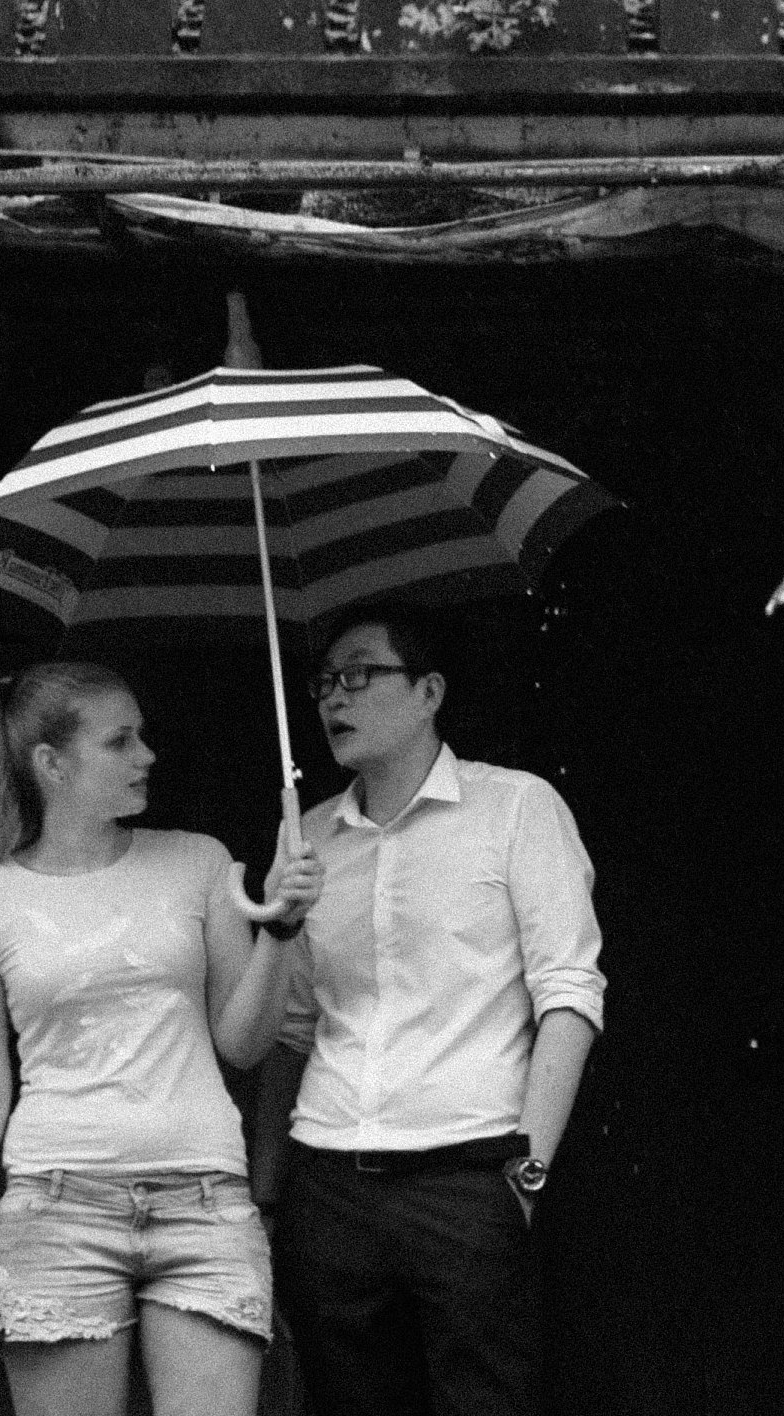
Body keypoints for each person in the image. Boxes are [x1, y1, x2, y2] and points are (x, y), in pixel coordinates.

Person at [0, 659, 325, 1414]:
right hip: (56, 1207)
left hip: (206, 1206)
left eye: (142, 736)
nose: (147, 755)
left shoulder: (199, 861)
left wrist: (283, 928)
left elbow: (242, 1044)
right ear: (52, 764)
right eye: (120, 741)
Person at [272, 601, 605, 1416]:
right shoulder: (309, 837)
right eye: (324, 683)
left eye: (360, 675)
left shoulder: (516, 808)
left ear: (429, 692)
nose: (333, 699)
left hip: (468, 1173)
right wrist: (270, 1188)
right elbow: (294, 1030)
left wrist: (527, 1170)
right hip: (330, 1175)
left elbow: (570, 990)